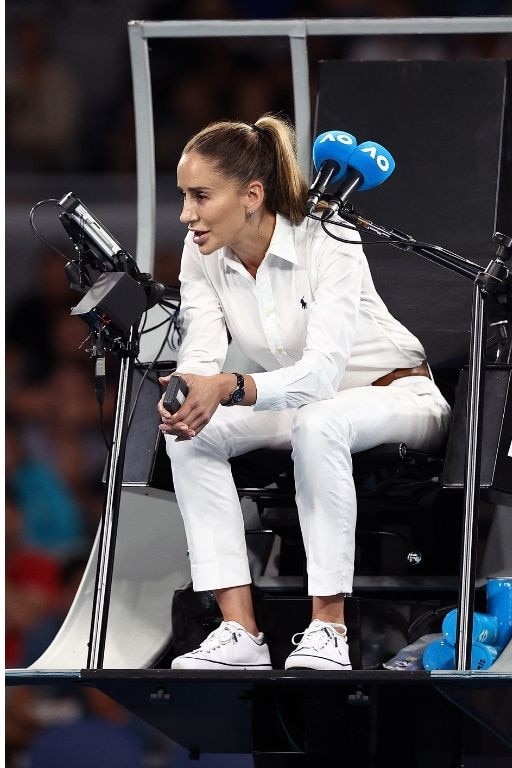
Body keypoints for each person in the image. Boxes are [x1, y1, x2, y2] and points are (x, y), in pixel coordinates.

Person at [158, 114, 450, 671]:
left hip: (401, 398)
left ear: (251, 195)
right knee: (192, 437)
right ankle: (239, 629)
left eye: (200, 196)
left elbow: (320, 374)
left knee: (322, 423)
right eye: (183, 196)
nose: (186, 213)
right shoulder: (199, 253)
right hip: (308, 406)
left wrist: (233, 385)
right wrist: (188, 392)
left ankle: (328, 628)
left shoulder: (331, 238)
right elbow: (200, 351)